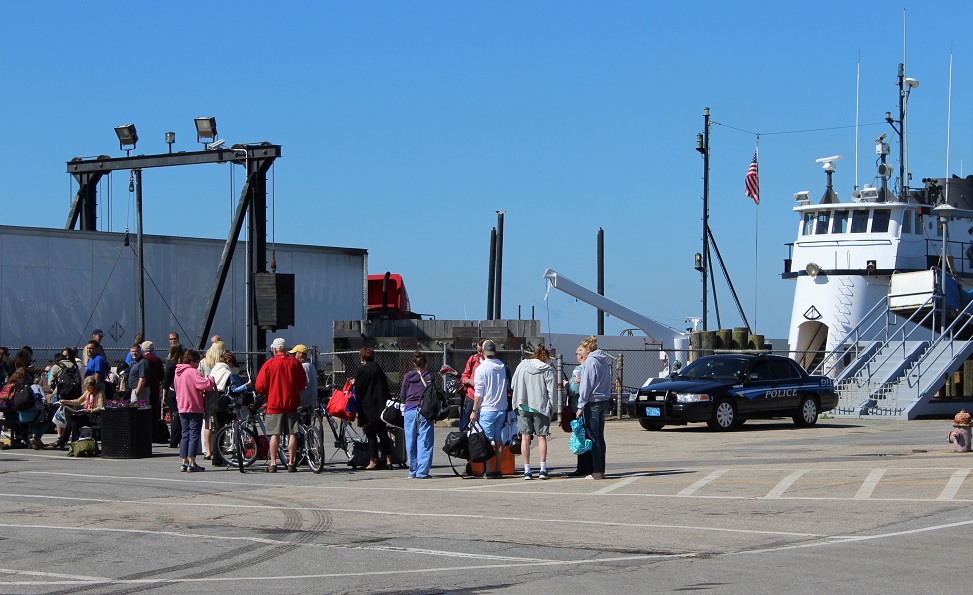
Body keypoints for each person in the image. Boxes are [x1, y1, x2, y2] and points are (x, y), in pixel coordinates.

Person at [254, 337, 306, 472]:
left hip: (274, 403)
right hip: (291, 403)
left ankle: (273, 463)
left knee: (274, 435)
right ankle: (291, 462)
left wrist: (268, 391)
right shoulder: (294, 363)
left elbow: (259, 386)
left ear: (275, 349)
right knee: (292, 433)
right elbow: (302, 384)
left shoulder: (269, 364)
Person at [511, 345, 556, 480]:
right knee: (541, 437)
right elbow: (552, 391)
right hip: (540, 407)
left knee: (525, 438)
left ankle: (527, 470)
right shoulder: (547, 369)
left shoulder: (521, 365)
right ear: (546, 357)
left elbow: (513, 384)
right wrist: (552, 409)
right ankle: (542, 469)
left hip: (522, 405)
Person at [470, 339, 509, 479]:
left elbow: (478, 393)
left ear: (483, 352)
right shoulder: (503, 367)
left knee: (487, 441)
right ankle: (498, 469)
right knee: (499, 440)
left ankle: (489, 469)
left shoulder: (481, 369)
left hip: (487, 409)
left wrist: (474, 410)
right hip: (501, 408)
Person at [576, 336, 612, 480]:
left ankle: (597, 471)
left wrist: (580, 405)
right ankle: (600, 469)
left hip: (593, 402)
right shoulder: (603, 360)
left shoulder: (590, 362)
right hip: (604, 399)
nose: (580, 353)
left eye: (582, 350)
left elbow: (586, 386)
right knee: (600, 437)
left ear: (588, 350)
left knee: (593, 437)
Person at [174, 350, 215, 473]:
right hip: (194, 406)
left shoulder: (178, 373)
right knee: (194, 434)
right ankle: (192, 462)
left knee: (185, 434)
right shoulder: (193, 372)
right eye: (196, 361)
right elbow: (204, 385)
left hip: (182, 406)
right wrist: (211, 380)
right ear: (191, 360)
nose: (197, 363)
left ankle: (184, 462)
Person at [353, 347, 393, 470]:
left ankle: (373, 461)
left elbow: (359, 388)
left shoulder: (363, 370)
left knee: (371, 435)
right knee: (383, 434)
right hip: (382, 405)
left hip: (369, 406)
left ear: (362, 357)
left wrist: (353, 383)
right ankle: (389, 461)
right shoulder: (378, 368)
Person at [399, 352, 437, 479]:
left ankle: (412, 470)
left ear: (414, 364)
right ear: (426, 364)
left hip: (409, 409)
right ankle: (422, 471)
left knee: (410, 440)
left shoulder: (407, 377)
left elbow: (402, 397)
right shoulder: (430, 377)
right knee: (425, 439)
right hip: (424, 409)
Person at [54, 375, 105, 450]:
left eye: (88, 386)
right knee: (74, 422)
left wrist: (89, 410)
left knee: (73, 420)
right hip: (87, 414)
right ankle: (74, 443)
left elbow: (100, 407)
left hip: (94, 416)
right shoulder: (87, 392)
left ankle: (63, 440)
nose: (86, 388)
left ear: (92, 386)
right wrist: (65, 401)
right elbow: (78, 401)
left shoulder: (99, 393)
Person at [563, 346, 592, 477]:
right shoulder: (592, 367)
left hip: (580, 409)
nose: (577, 354)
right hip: (591, 407)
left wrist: (566, 384)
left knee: (581, 438)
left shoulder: (579, 369)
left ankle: (582, 467)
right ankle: (591, 466)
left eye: (578, 352)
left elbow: (573, 389)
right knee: (589, 437)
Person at [199, 340, 225, 460]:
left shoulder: (204, 362)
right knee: (219, 424)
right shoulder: (221, 364)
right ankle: (218, 449)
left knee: (208, 424)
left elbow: (199, 376)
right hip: (218, 394)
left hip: (208, 395)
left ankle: (208, 450)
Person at [141, 341, 165, 441]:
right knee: (155, 413)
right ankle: (154, 435)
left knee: (144, 412)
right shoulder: (158, 360)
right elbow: (161, 376)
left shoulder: (143, 360)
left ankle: (145, 434)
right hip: (155, 388)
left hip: (144, 388)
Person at [459, 339, 485, 431]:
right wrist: (470, 381)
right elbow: (464, 377)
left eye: (482, 350)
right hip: (472, 396)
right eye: (478, 350)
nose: (480, 353)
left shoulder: (492, 362)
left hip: (486, 398)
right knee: (468, 423)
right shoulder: (473, 359)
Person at [162, 344, 185, 449]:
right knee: (182, 415)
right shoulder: (184, 363)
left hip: (172, 391)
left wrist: (164, 395)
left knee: (174, 416)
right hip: (182, 391)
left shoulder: (171, 363)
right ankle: (182, 438)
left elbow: (166, 381)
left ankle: (174, 440)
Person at [290, 344, 318, 410]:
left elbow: (300, 383)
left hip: (303, 399)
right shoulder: (310, 365)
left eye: (294, 353)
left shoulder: (303, 366)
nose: (293, 356)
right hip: (311, 399)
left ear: (300, 354)